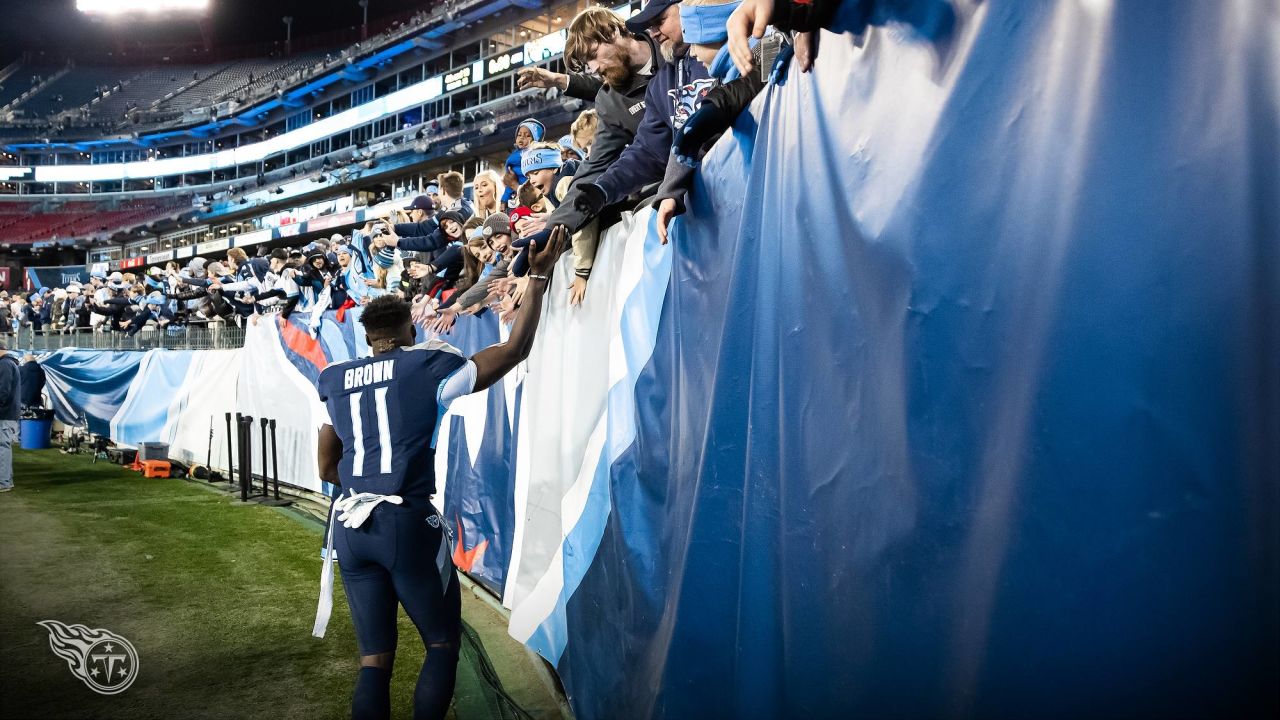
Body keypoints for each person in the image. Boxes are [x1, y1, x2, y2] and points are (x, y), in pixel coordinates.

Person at [310, 228, 568, 720]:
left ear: (367, 336)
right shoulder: (430, 362)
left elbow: (326, 465)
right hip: (404, 522)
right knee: (442, 645)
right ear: (410, 328)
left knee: (374, 661)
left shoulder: (335, 378)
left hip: (348, 527)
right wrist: (536, 276)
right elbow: (513, 351)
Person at [0, 343, 19, 493]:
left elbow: (2, 391)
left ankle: (4, 482)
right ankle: (6, 480)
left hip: (4, 413)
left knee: (2, 447)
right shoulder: (9, 363)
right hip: (8, 413)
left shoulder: (5, 364)